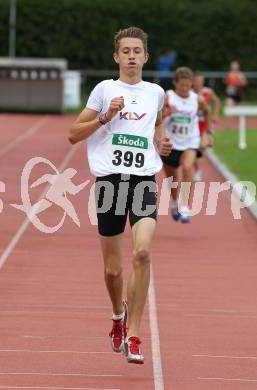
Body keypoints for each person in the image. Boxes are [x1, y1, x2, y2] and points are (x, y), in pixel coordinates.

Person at [68, 27, 172, 364]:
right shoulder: (104, 90)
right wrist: (105, 116)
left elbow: (156, 125)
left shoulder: (157, 92)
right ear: (116, 57)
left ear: (145, 56)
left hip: (143, 181)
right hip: (110, 183)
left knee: (142, 253)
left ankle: (135, 334)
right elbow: (73, 135)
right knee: (113, 271)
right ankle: (118, 316)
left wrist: (161, 142)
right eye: (124, 50)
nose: (130, 56)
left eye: (136, 50)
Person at [161, 67, 209, 222]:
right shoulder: (168, 96)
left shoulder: (197, 99)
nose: (184, 89)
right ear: (175, 83)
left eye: (187, 86)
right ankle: (176, 203)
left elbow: (206, 113)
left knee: (188, 167)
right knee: (173, 181)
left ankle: (185, 206)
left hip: (190, 141)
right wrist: (168, 112)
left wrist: (207, 134)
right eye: (181, 85)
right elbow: (156, 118)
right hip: (170, 144)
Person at [192, 71, 220, 181]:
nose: (199, 83)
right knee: (194, 149)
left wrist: (216, 115)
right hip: (193, 125)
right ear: (193, 81)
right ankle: (197, 170)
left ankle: (196, 155)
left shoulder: (207, 92)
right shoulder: (189, 93)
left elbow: (217, 101)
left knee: (203, 146)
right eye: (197, 81)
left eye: (201, 81)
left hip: (204, 124)